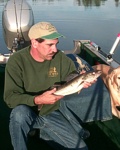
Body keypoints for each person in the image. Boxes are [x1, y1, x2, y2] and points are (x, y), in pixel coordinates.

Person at [4, 22, 112, 150]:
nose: (55, 49)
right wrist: (37, 100)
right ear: (34, 43)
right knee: (19, 114)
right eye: (50, 45)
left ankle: (45, 133)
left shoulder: (60, 58)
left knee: (82, 149)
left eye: (56, 44)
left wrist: (82, 82)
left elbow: (71, 77)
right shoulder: (16, 61)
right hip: (27, 112)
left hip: (50, 112)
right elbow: (10, 98)